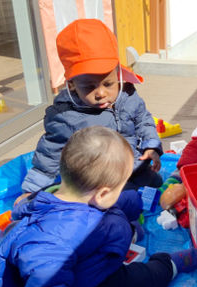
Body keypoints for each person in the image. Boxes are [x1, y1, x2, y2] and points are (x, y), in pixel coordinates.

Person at [0, 126, 197, 287]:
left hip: (82, 260)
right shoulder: (58, 238)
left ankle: (131, 231)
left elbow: (112, 203)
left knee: (115, 216)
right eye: (120, 187)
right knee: (134, 284)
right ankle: (168, 265)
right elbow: (44, 284)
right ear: (102, 194)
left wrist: (139, 200)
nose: (121, 192)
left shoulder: (65, 195)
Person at [19, 18, 162, 203]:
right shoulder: (66, 117)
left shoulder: (127, 96)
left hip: (135, 166)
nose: (101, 93)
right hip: (102, 180)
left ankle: (138, 184)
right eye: (89, 87)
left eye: (108, 84)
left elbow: (143, 120)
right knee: (127, 203)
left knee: (157, 185)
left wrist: (151, 145)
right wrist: (31, 190)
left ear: (118, 74)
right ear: (71, 85)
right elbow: (49, 154)